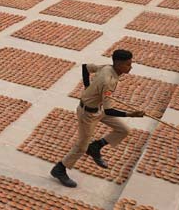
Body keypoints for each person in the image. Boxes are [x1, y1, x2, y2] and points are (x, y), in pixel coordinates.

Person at [50, 50, 146, 188]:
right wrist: (131, 114)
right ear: (118, 64)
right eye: (128, 64)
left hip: (99, 109)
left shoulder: (107, 67)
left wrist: (87, 87)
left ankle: (95, 147)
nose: (130, 67)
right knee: (81, 147)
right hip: (88, 114)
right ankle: (59, 169)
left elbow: (85, 67)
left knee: (123, 130)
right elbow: (109, 110)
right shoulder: (107, 81)